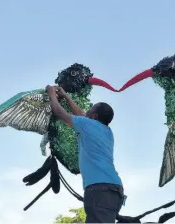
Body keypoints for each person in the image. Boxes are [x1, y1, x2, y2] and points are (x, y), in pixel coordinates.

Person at [46, 85, 124, 223]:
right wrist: (65, 96)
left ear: (94, 116)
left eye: (90, 109)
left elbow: (59, 112)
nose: (86, 111)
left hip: (100, 189)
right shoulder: (107, 131)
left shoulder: (87, 125)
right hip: (115, 190)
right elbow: (81, 114)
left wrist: (51, 93)